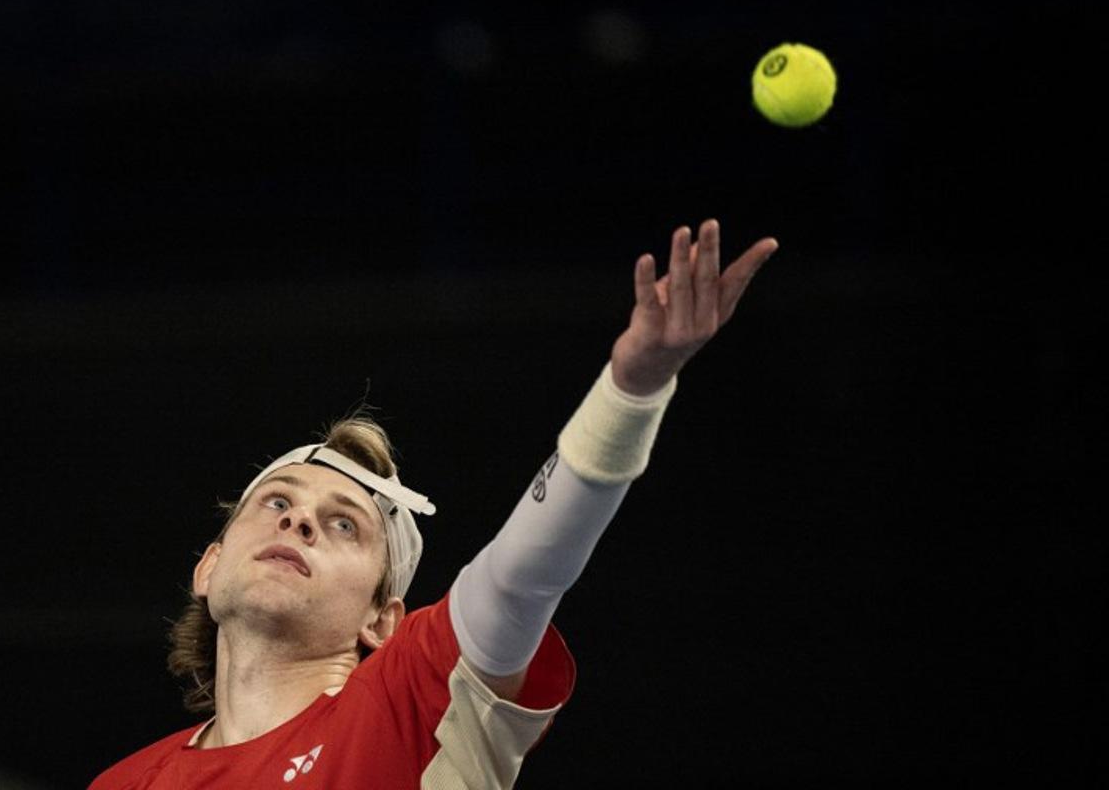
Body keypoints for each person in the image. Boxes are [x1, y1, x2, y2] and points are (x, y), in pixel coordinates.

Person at [88, 219, 778, 789]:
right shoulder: (123, 783)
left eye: (344, 526)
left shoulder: (412, 700)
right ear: (209, 569)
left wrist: (631, 391)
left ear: (382, 620)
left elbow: (520, 579)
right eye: (274, 502)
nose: (298, 521)